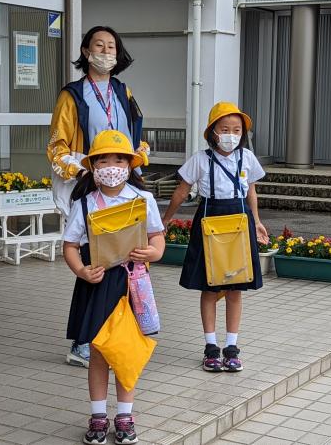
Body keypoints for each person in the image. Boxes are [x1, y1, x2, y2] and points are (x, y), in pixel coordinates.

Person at [47, 25, 149, 368]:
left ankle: (118, 333)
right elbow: (57, 147)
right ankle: (83, 340)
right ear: (85, 51)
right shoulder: (72, 95)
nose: (106, 52)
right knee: (94, 263)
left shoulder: (123, 91)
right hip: (92, 185)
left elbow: (135, 137)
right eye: (99, 46)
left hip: (123, 185)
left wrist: (135, 160)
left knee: (125, 261)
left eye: (111, 47)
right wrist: (84, 171)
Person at [63, 130, 164, 445]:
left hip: (130, 284)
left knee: (125, 350)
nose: (111, 167)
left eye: (119, 160)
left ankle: (124, 416)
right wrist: (81, 271)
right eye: (103, 160)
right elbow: (69, 246)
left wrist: (153, 253)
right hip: (96, 285)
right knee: (97, 352)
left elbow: (157, 237)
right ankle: (97, 416)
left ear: (130, 165)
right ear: (93, 166)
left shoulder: (142, 199)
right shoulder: (84, 203)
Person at [161, 102, 268, 372]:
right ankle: (210, 348)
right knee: (209, 288)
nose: (231, 134)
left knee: (235, 288)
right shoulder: (199, 159)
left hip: (240, 221)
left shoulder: (247, 158)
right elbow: (181, 191)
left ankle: (232, 348)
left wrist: (257, 222)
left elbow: (251, 192)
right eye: (225, 129)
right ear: (213, 132)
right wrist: (166, 219)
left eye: (237, 129)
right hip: (208, 221)